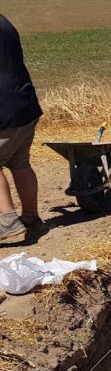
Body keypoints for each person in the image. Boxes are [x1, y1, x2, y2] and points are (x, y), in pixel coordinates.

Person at [0, 14, 43, 243]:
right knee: (19, 162)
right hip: (25, 104)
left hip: (4, 108)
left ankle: (7, 220)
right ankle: (31, 217)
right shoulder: (5, 21)